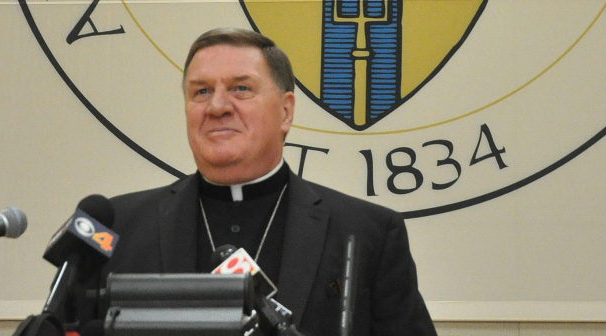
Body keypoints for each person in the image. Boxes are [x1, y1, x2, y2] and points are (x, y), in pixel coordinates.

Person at [72, 28, 437, 336]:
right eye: (201, 91)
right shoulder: (117, 225)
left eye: (241, 89)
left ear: (286, 111)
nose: (217, 106)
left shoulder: (367, 232)